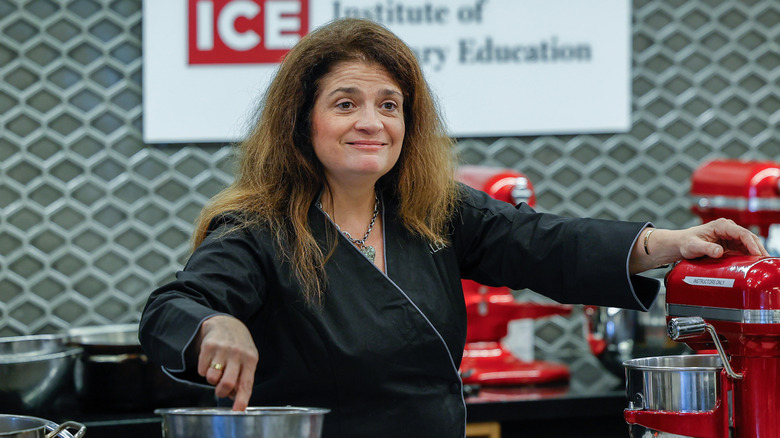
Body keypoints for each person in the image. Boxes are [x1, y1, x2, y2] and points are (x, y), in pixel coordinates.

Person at [139, 17, 768, 438]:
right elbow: (174, 305)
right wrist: (213, 325)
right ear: (300, 122)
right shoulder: (257, 228)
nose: (371, 122)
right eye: (345, 103)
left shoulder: (431, 210)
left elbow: (542, 242)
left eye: (389, 105)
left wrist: (669, 244)